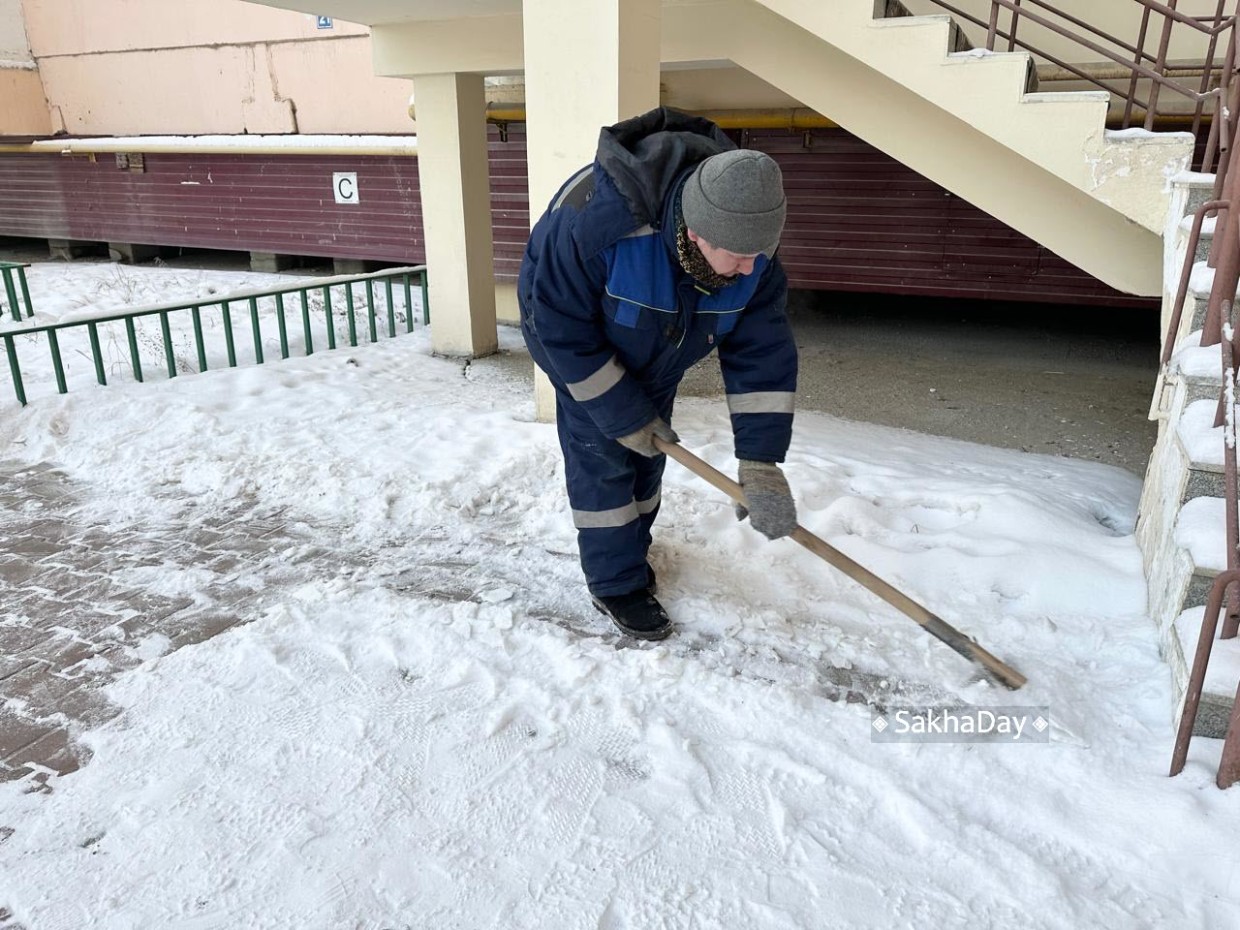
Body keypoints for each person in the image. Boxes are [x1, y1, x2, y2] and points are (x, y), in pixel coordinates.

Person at [518, 106, 799, 641]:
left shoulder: (751, 251)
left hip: (658, 348)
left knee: (650, 454)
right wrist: (619, 409)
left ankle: (633, 546)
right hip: (582, 350)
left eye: (760, 255)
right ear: (696, 232)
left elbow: (762, 353)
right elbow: (556, 325)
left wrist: (760, 462)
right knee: (604, 461)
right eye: (739, 257)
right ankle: (615, 583)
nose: (750, 268)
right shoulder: (598, 226)